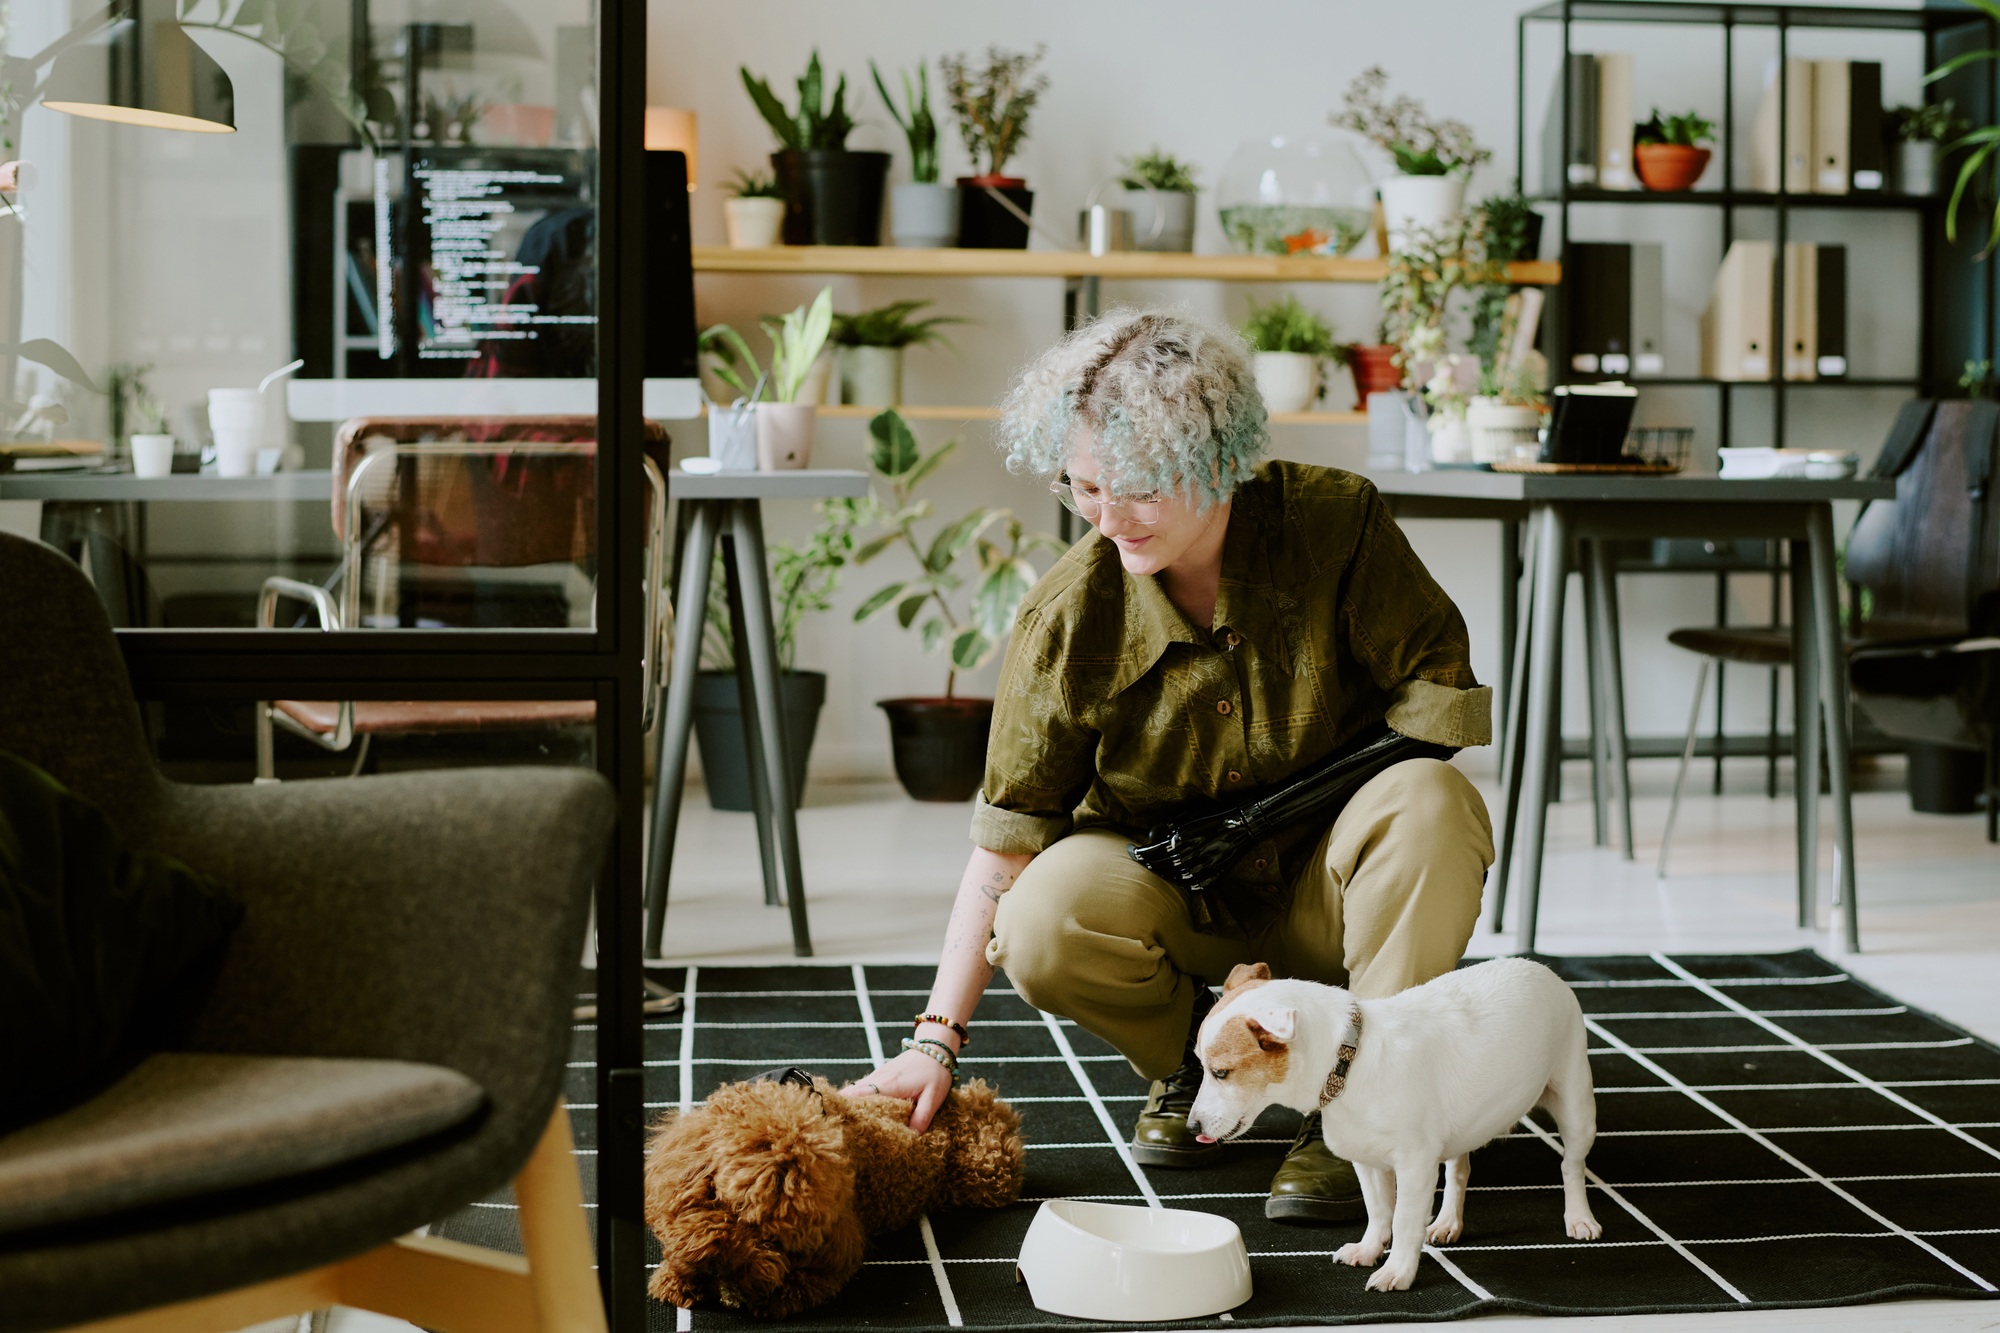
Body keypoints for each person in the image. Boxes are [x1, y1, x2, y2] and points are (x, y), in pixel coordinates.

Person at [843, 309, 1494, 1223]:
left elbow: (1440, 702)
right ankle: (1202, 1056)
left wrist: (1261, 819)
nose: (1109, 520)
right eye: (1084, 488)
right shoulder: (1067, 617)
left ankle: (1364, 1100)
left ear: (1216, 456)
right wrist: (933, 1044)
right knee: (1040, 918)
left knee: (1433, 801)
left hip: (1334, 891)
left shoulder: (1334, 523)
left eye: (1140, 488)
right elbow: (1006, 847)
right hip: (1176, 908)